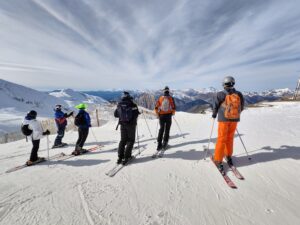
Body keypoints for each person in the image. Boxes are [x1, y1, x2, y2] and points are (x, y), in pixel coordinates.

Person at [212, 76, 244, 174]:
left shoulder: (220, 94)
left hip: (223, 120)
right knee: (230, 138)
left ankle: (218, 159)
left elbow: (215, 106)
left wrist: (214, 114)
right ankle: (228, 155)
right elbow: (241, 107)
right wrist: (234, 115)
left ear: (224, 84)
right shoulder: (239, 94)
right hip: (234, 120)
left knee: (221, 139)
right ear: (233, 83)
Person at [114, 91, 140, 165]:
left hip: (122, 124)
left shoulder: (119, 104)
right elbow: (136, 114)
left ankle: (120, 157)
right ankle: (127, 156)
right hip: (131, 125)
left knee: (123, 140)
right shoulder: (132, 104)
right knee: (131, 140)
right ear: (129, 97)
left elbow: (115, 115)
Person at [154, 86, 176, 150]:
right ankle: (165, 143)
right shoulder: (171, 98)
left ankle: (159, 144)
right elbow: (174, 107)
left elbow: (156, 107)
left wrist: (157, 114)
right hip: (168, 115)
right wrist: (172, 113)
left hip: (161, 116)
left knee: (161, 129)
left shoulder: (160, 98)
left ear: (163, 91)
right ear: (168, 91)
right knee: (167, 129)